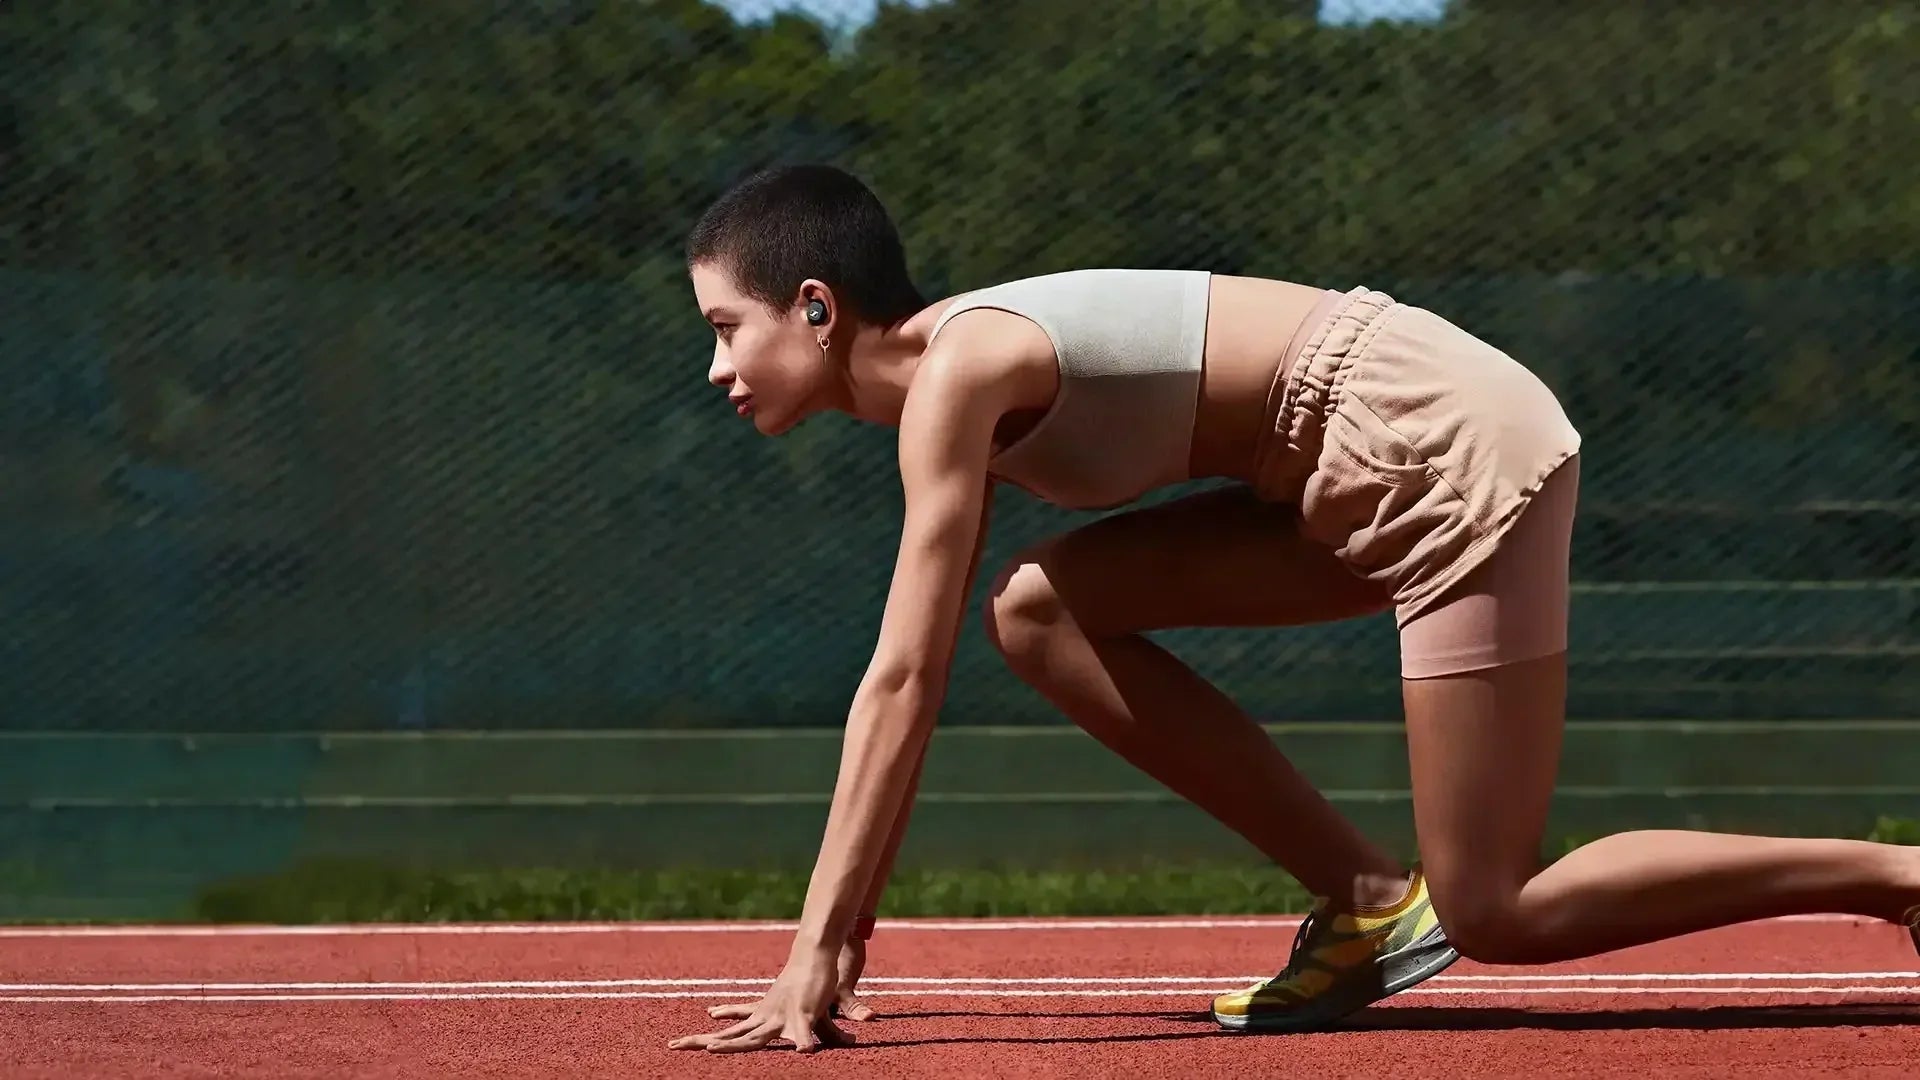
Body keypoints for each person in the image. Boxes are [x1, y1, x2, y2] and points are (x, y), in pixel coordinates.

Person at [667, 163, 1920, 1055]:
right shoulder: (958, 381)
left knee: (1496, 907)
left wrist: (818, 950)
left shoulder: (961, 369)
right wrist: (839, 934)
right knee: (1039, 609)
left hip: (1435, 439)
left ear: (816, 308)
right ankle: (1368, 902)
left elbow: (903, 676)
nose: (717, 366)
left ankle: (1898, 876)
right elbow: (936, 657)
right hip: (1337, 473)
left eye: (727, 327)